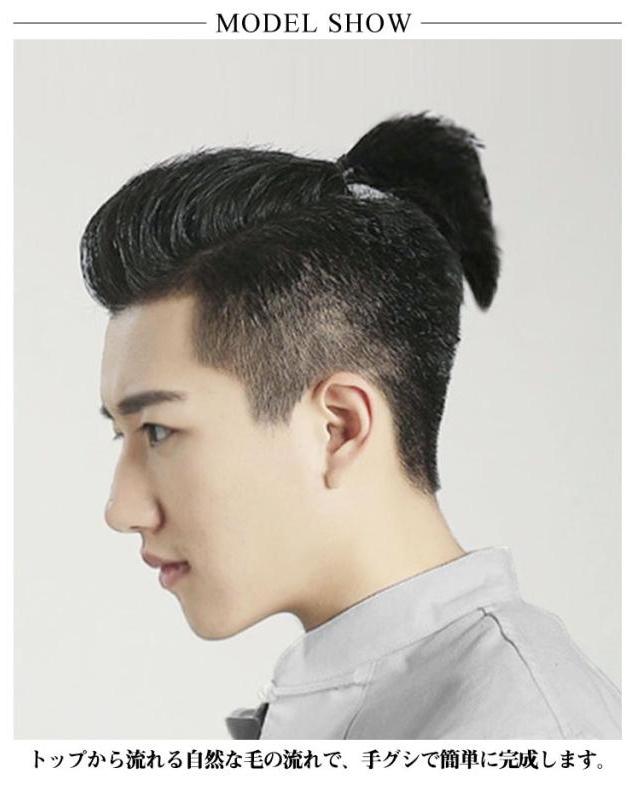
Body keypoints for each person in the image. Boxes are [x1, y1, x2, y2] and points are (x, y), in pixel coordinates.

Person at [80, 112, 621, 739]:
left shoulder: (526, 735)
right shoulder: (399, 696)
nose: (121, 510)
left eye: (158, 431)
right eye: (122, 435)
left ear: (337, 428)